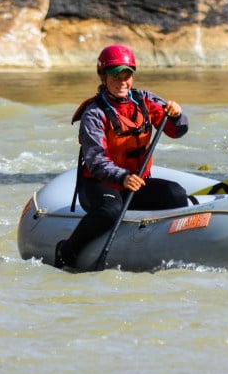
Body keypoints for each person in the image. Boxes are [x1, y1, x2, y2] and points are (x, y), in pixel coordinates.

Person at [54, 44, 188, 270]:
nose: (122, 81)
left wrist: (177, 115)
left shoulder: (145, 101)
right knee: (110, 209)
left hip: (135, 185)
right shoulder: (94, 113)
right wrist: (123, 177)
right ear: (103, 77)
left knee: (175, 194)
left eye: (127, 75)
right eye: (115, 75)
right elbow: (96, 161)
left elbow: (178, 131)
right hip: (99, 186)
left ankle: (165, 247)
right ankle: (67, 250)